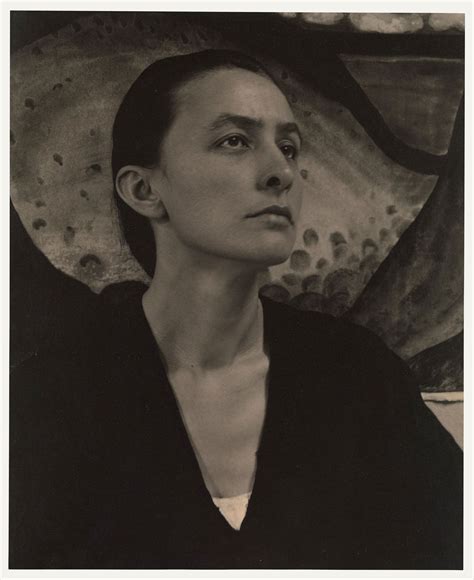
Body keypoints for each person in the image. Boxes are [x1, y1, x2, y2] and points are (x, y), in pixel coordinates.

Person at [10, 49, 463, 570]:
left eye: (288, 148)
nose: (281, 172)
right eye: (234, 141)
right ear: (143, 189)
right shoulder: (47, 396)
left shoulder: (358, 373)